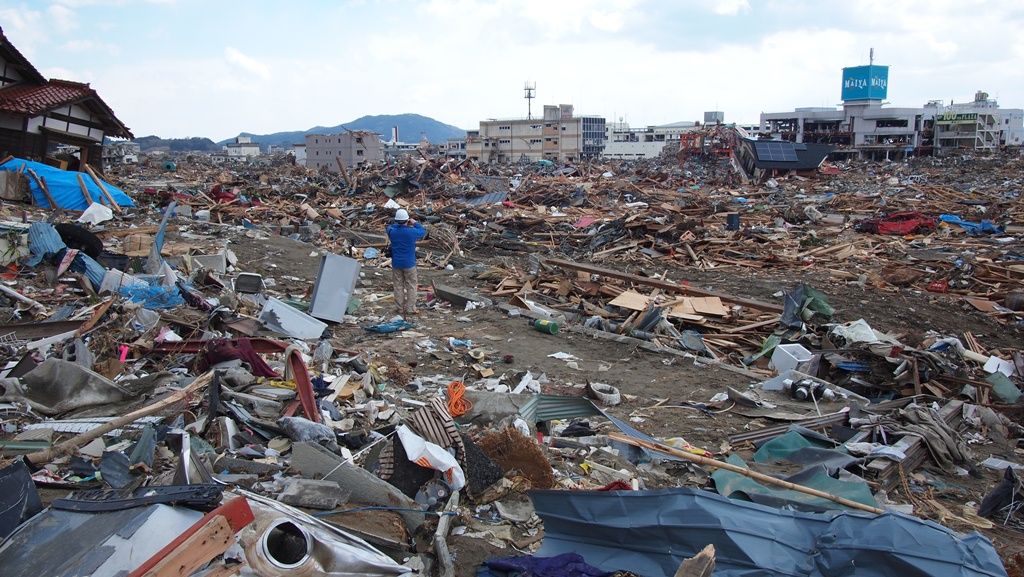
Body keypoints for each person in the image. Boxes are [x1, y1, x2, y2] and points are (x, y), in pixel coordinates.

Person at [386, 208, 426, 316]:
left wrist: (398, 223)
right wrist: (415, 222)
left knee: (398, 285)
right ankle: (410, 308)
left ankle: (399, 308)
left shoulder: (392, 231)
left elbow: (390, 226)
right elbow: (423, 231)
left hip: (396, 263)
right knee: (411, 285)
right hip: (409, 263)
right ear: (407, 220)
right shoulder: (412, 232)